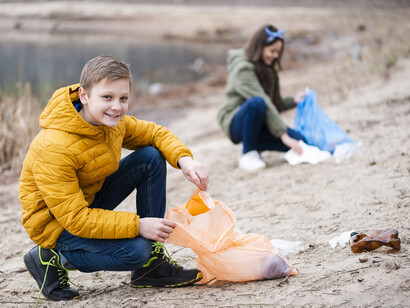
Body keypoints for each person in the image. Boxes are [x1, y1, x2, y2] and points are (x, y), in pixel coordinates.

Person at [19, 55, 209, 302]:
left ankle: (151, 267)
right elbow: (75, 219)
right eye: (107, 97)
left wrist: (185, 160)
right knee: (135, 251)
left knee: (151, 156)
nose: (117, 107)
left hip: (87, 203)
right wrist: (139, 225)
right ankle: (50, 257)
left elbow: (154, 133)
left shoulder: (111, 122)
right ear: (84, 96)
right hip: (58, 225)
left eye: (123, 98)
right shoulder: (54, 147)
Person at [217, 24, 307, 172]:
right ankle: (248, 152)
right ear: (260, 46)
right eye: (272, 51)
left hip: (259, 120)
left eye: (278, 52)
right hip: (235, 122)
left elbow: (272, 103)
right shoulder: (243, 69)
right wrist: (283, 135)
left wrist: (294, 101)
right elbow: (262, 101)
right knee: (257, 103)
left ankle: (251, 139)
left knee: (301, 142)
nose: (275, 56)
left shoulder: (265, 68)